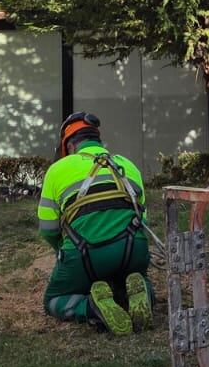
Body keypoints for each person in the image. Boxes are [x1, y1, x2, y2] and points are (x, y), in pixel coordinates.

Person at [37, 112, 152, 334]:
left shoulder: (57, 170)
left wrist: (62, 251)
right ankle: (141, 294)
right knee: (138, 279)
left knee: (53, 299)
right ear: (97, 140)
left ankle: (90, 307)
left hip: (84, 253)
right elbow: (143, 221)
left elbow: (48, 229)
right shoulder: (128, 165)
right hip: (132, 249)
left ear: (70, 146)